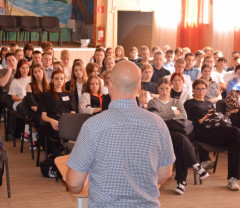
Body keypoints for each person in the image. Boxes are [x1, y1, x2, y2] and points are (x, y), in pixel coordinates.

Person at [66, 60, 175, 207]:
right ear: (139, 88)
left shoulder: (93, 126)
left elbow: (74, 183)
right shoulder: (158, 124)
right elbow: (165, 173)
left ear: (110, 85)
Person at [184, 79, 240, 191]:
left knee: (235, 142)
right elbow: (189, 124)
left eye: (203, 89)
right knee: (235, 131)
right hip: (201, 132)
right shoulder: (189, 103)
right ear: (193, 90)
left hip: (215, 130)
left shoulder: (209, 103)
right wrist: (204, 118)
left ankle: (232, 179)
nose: (201, 91)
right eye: (198, 89)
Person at [148, 78, 208, 194]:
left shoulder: (176, 101)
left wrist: (165, 116)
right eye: (161, 88)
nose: (164, 91)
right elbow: (155, 117)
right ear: (158, 89)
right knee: (182, 140)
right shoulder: (153, 102)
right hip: (160, 136)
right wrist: (172, 113)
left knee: (181, 145)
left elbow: (183, 116)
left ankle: (183, 181)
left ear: (170, 88)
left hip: (176, 133)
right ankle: (192, 169)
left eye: (166, 88)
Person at [38, 69, 76, 155]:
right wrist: (52, 121)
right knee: (57, 135)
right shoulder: (46, 95)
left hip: (67, 123)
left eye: (62, 79)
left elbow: (73, 113)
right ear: (52, 80)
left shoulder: (70, 95)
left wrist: (66, 121)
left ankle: (66, 152)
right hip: (52, 124)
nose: (59, 81)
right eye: (57, 79)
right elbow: (43, 116)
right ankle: (60, 155)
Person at [23, 64, 49, 149]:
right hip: (35, 111)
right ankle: (39, 141)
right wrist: (44, 112)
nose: (37, 74)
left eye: (39, 71)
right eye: (35, 72)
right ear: (32, 74)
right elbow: (32, 104)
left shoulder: (48, 85)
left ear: (43, 72)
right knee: (40, 118)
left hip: (46, 111)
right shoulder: (29, 86)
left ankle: (48, 142)